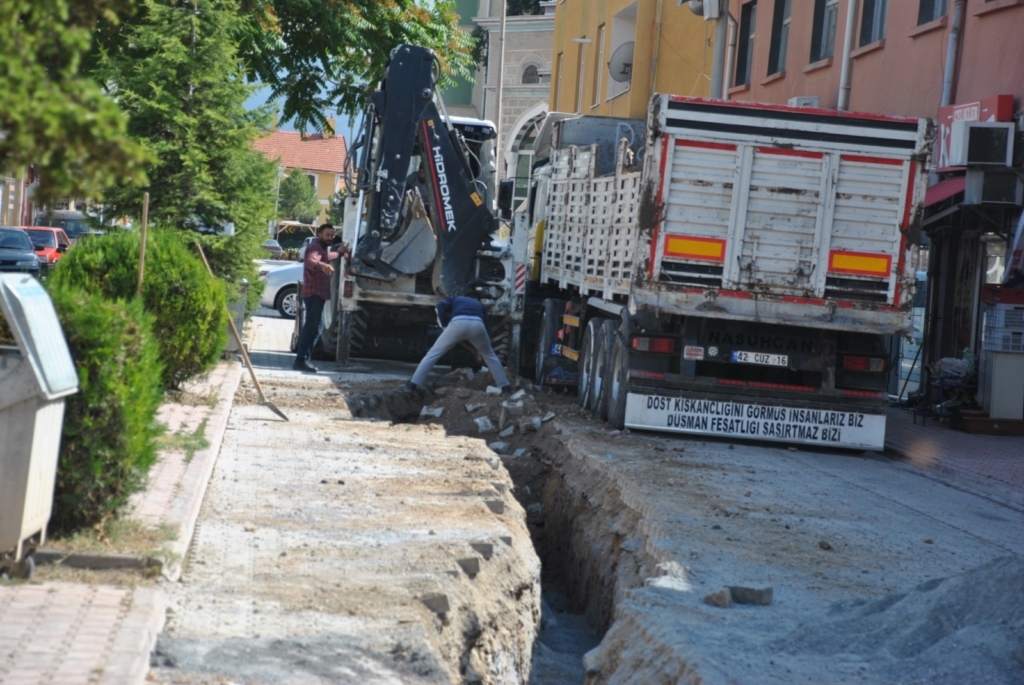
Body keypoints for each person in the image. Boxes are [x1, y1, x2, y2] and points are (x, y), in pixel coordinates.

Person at [402, 292, 511, 394]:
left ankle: (412, 385)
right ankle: (505, 387)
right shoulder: (479, 304)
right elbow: (486, 325)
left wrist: (444, 325)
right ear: (476, 298)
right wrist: (483, 342)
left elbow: (439, 305)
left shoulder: (456, 299)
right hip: (478, 325)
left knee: (433, 353)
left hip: (458, 324)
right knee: (490, 355)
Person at [292, 223, 348, 373]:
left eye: (331, 235)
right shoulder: (315, 247)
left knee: (317, 328)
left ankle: (304, 359)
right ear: (320, 235)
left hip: (317, 294)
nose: (330, 238)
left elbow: (328, 256)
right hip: (314, 294)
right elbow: (310, 261)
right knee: (311, 327)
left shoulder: (322, 248)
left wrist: (341, 252)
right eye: (327, 235)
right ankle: (300, 360)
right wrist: (322, 265)